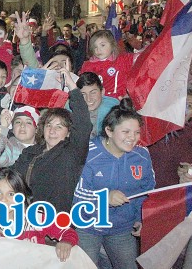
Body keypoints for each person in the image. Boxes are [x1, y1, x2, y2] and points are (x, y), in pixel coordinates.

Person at [73, 99, 155, 269]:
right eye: (126, 131)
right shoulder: (87, 153)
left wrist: (141, 217)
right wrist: (105, 198)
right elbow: (75, 193)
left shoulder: (142, 155)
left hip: (122, 228)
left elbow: (147, 190)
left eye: (137, 132)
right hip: (88, 226)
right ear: (109, 131)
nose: (132, 138)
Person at [11, 67, 92, 213]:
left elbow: (83, 123)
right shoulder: (30, 152)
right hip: (27, 219)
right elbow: (13, 179)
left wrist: (72, 88)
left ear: (68, 132)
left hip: (58, 224)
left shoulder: (72, 152)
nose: (52, 130)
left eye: (59, 126)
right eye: (49, 125)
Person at [0, 168, 78, 262]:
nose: (3, 199)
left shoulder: (36, 218)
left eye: (11, 194)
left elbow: (68, 232)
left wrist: (66, 242)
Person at [80, 30, 135, 99]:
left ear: (112, 45)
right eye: (95, 47)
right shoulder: (88, 66)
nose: (98, 50)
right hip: (100, 101)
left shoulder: (123, 60)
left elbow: (142, 58)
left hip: (122, 100)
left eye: (102, 45)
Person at [76, 72, 120, 138]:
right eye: (83, 94)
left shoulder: (113, 110)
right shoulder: (71, 110)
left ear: (102, 92)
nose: (88, 99)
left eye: (93, 93)